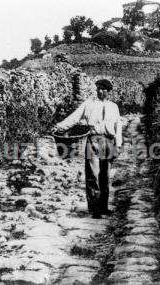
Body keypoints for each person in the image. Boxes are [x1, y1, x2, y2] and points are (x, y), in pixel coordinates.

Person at [51, 79, 123, 219]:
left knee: (105, 175)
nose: (100, 91)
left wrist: (118, 145)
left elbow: (118, 126)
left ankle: (103, 207)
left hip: (108, 141)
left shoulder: (114, 107)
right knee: (92, 174)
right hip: (93, 140)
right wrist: (59, 126)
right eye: (98, 88)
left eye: (103, 89)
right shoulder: (89, 104)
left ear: (109, 91)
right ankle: (95, 208)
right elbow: (74, 118)